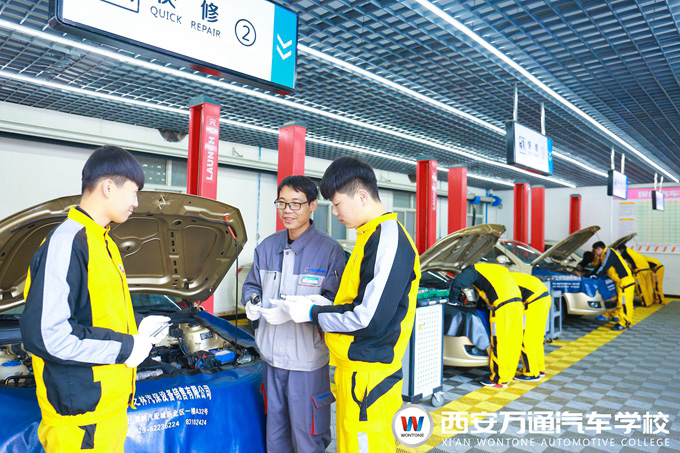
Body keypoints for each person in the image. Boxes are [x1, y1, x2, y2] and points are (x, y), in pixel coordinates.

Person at [262, 157, 420, 453]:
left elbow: (368, 318)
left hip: (370, 374)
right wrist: (318, 302)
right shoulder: (368, 236)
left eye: (337, 204)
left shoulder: (387, 239)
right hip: (355, 371)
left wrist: (312, 312)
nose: (334, 213)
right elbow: (355, 300)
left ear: (361, 196)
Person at [20, 146, 169, 453]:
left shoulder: (104, 242)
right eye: (134, 192)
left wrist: (139, 327)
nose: (136, 203)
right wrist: (127, 347)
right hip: (80, 422)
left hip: (107, 411)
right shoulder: (67, 242)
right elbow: (49, 335)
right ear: (109, 187)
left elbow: (97, 313)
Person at [241, 175, 346, 453]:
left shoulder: (329, 251)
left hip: (306, 362)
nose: (287, 210)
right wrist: (251, 301)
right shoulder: (266, 247)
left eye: (296, 203)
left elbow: (336, 303)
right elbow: (251, 285)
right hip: (271, 359)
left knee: (307, 437)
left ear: (313, 205)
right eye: (282, 203)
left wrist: (299, 311)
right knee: (275, 436)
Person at [449, 263, 523, 389]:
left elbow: (457, 283)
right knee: (512, 340)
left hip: (502, 307)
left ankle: (498, 379)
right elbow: (487, 291)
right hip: (516, 304)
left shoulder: (473, 270)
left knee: (499, 342)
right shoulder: (494, 269)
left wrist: (452, 301)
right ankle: (508, 374)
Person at [584, 241, 635, 330]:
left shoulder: (609, 252)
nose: (595, 254)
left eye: (595, 251)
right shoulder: (603, 255)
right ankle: (624, 320)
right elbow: (600, 266)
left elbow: (605, 266)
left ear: (598, 249)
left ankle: (623, 323)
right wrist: (591, 275)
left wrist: (596, 275)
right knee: (621, 302)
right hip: (620, 282)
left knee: (624, 303)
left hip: (625, 283)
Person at [510, 273, 551, 381]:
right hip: (544, 298)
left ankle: (531, 373)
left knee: (526, 339)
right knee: (536, 338)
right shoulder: (510, 276)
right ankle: (539, 368)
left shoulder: (503, 281)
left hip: (533, 302)